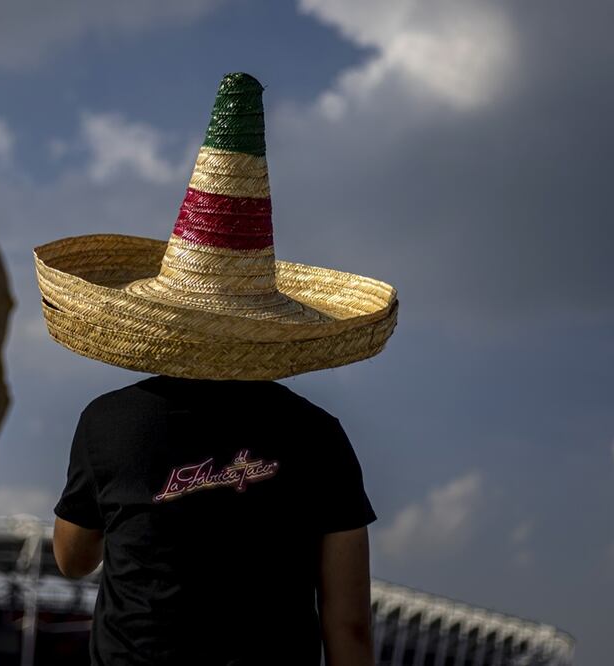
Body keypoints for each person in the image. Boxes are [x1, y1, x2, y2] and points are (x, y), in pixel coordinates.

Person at [33, 72, 398, 665]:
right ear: (266, 330)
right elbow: (348, 624)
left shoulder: (108, 424)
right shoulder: (319, 436)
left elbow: (74, 559)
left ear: (159, 318)